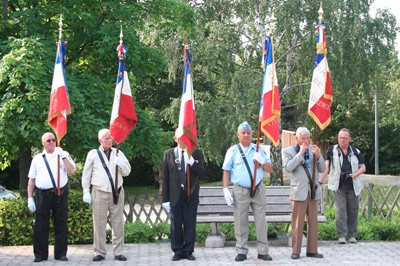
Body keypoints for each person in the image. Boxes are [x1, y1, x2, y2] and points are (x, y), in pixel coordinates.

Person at [221, 121, 273, 262]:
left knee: (261, 221)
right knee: (240, 221)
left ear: (252, 135)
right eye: (243, 132)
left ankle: (263, 251)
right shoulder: (232, 151)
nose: (246, 135)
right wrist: (225, 189)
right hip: (240, 190)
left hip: (258, 189)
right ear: (238, 135)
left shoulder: (259, 150)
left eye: (248, 133)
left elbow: (270, 169)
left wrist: (262, 161)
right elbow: (226, 171)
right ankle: (241, 250)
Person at [81, 128, 131, 262]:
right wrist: (85, 190)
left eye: (110, 138)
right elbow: (86, 173)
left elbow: (127, 171)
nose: (109, 140)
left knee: (118, 223)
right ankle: (99, 252)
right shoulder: (93, 154)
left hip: (117, 192)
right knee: (99, 223)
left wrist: (120, 164)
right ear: (100, 140)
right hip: (99, 192)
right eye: (106, 138)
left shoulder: (118, 152)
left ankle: (119, 251)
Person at [27, 132, 76, 262]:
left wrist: (64, 156)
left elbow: (71, 171)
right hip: (43, 194)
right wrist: (29, 198)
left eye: (53, 140)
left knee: (61, 223)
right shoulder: (37, 158)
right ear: (43, 143)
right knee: (41, 225)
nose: (52, 142)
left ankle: (60, 253)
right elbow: (32, 180)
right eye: (48, 140)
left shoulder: (62, 155)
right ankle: (40, 255)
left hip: (60, 193)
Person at [161, 130, 206, 261]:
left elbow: (202, 172)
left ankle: (188, 250)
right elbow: (165, 178)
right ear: (175, 138)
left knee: (190, 223)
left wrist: (192, 162)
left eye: (186, 136)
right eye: (181, 137)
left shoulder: (196, 152)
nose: (183, 139)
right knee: (176, 224)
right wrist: (165, 199)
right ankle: (177, 251)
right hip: (175, 195)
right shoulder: (168, 154)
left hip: (190, 194)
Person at [282, 127, 325, 260]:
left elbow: (323, 168)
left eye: (308, 138)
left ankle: (312, 250)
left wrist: (318, 156)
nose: (306, 141)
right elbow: (288, 167)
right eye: (303, 138)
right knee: (297, 222)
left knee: (313, 222)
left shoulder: (314, 150)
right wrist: (300, 154)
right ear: (297, 139)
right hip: (298, 191)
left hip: (312, 190)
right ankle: (296, 250)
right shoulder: (288, 151)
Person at [319, 128, 366, 244]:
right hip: (338, 185)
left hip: (353, 185)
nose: (342, 140)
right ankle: (341, 235)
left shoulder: (356, 151)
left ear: (349, 139)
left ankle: (352, 235)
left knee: (353, 211)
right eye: (340, 138)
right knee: (341, 211)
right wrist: (319, 181)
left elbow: (363, 167)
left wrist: (354, 175)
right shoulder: (332, 150)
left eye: (345, 138)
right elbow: (326, 168)